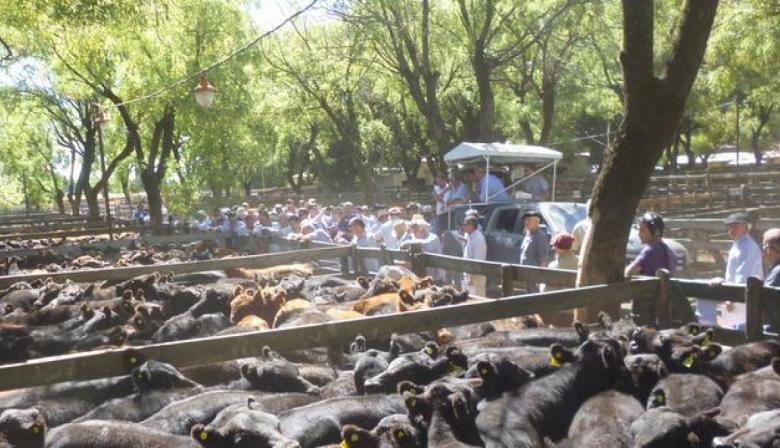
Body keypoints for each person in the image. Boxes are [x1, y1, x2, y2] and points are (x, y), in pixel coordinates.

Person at [705, 213, 764, 328]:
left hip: (743, 294)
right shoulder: (738, 244)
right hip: (736, 292)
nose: (732, 229)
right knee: (732, 327)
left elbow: (744, 274)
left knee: (740, 328)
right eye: (730, 226)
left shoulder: (749, 247)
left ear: (746, 227)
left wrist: (732, 297)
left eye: (736, 226)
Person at [624, 212, 677, 277]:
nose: (639, 234)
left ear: (655, 232)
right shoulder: (670, 251)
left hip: (651, 287)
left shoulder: (650, 251)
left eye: (642, 231)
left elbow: (628, 272)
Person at [519, 209, 550, 292]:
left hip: (535, 278)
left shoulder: (541, 237)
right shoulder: (528, 234)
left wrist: (540, 280)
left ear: (537, 222)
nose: (526, 222)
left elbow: (543, 260)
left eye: (529, 220)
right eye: (525, 220)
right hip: (527, 276)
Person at [462, 216, 487, 296]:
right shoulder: (470, 236)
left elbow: (478, 260)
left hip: (476, 277)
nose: (463, 227)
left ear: (471, 225)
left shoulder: (478, 239)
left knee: (478, 300)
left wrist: (471, 278)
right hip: (469, 275)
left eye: (465, 224)